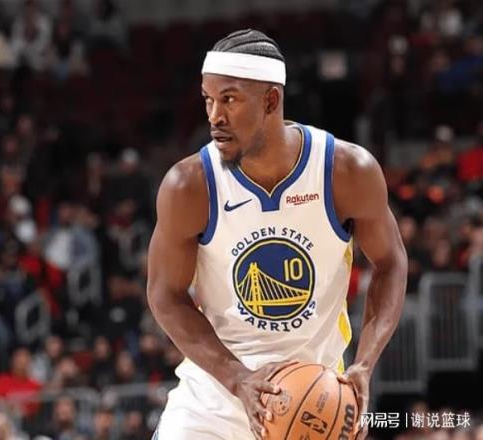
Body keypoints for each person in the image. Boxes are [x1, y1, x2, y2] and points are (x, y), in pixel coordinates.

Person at [147, 29, 407, 440]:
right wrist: (237, 378)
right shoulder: (189, 185)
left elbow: (391, 262)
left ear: (270, 100)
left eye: (229, 99)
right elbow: (164, 294)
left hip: (313, 400)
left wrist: (364, 364)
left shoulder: (345, 172)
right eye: (208, 99)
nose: (215, 116)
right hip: (213, 403)